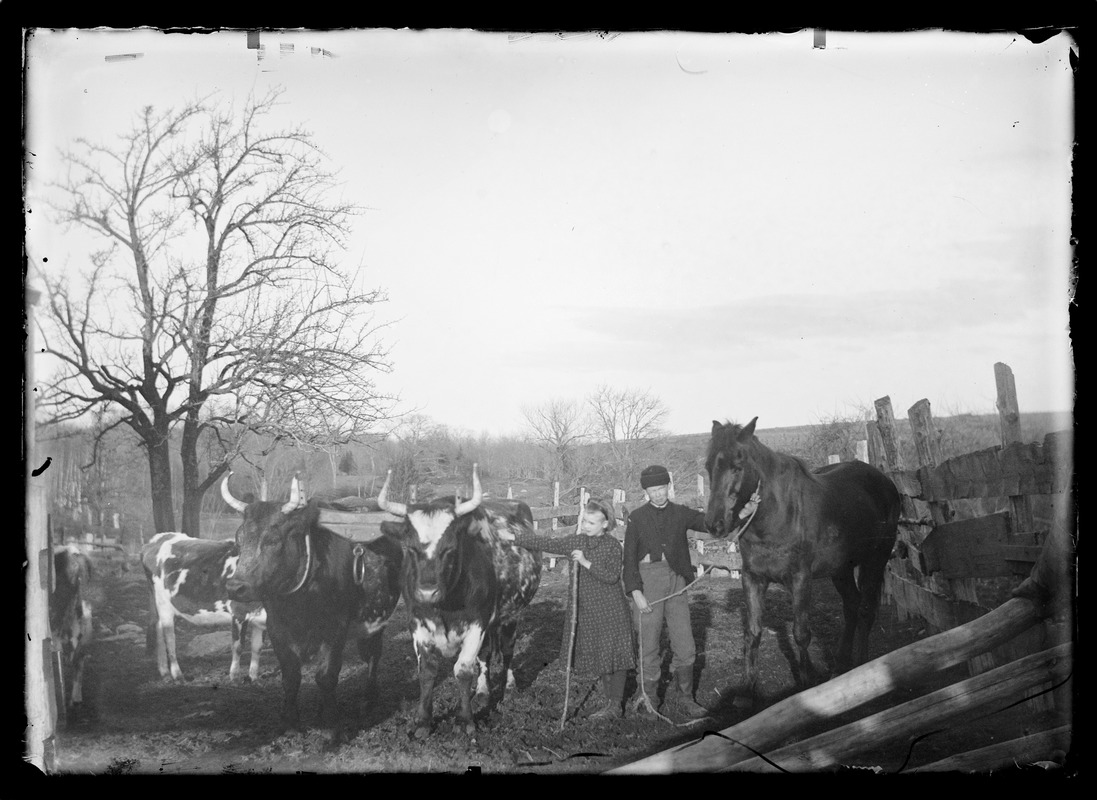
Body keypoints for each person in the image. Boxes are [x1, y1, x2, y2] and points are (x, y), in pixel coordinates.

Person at [511, 498, 636, 720]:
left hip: (611, 609)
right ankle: (611, 703)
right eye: (584, 521)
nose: (586, 526)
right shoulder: (577, 541)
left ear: (605, 524)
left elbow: (611, 576)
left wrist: (586, 562)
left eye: (591, 523)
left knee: (615, 654)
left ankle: (615, 705)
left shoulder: (612, 546)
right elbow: (549, 543)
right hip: (588, 610)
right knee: (602, 654)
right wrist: (516, 538)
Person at [623, 465, 709, 720]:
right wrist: (635, 591)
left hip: (676, 582)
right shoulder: (637, 518)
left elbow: (709, 522)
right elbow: (629, 559)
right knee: (648, 643)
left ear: (668, 487)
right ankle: (648, 698)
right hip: (647, 583)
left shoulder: (680, 513)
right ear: (646, 491)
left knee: (685, 641)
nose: (658, 494)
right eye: (653, 490)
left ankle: (686, 698)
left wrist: (743, 510)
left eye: (662, 488)